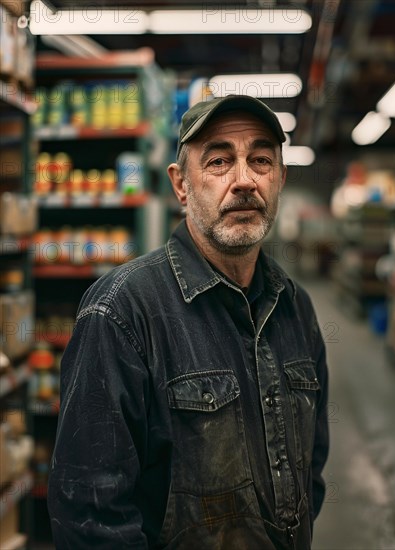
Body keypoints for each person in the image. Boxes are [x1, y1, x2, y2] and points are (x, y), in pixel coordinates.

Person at [47, 94, 329, 550]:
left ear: (280, 179)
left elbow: (308, 473)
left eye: (260, 160)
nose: (243, 181)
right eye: (218, 161)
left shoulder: (296, 309)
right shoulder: (120, 313)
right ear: (181, 185)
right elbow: (90, 518)